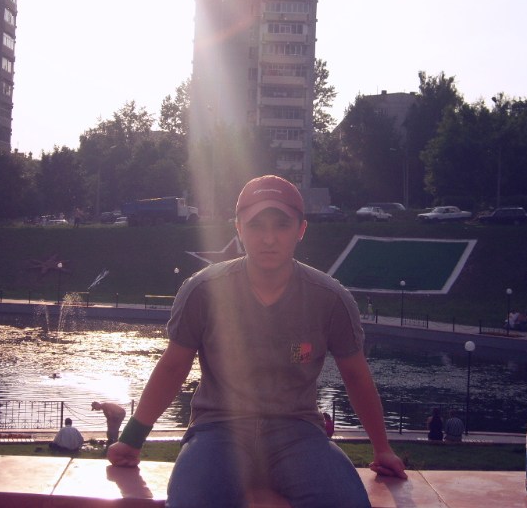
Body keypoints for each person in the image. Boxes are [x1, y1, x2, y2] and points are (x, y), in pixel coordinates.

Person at [107, 174, 407, 507]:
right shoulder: (204, 291)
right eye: (255, 225)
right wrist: (132, 439)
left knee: (346, 502)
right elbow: (174, 367)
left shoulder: (330, 299)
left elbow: (356, 375)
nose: (268, 238)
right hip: (219, 429)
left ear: (301, 229)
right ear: (238, 228)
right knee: (192, 501)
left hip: (298, 431)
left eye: (282, 225)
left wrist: (383, 449)